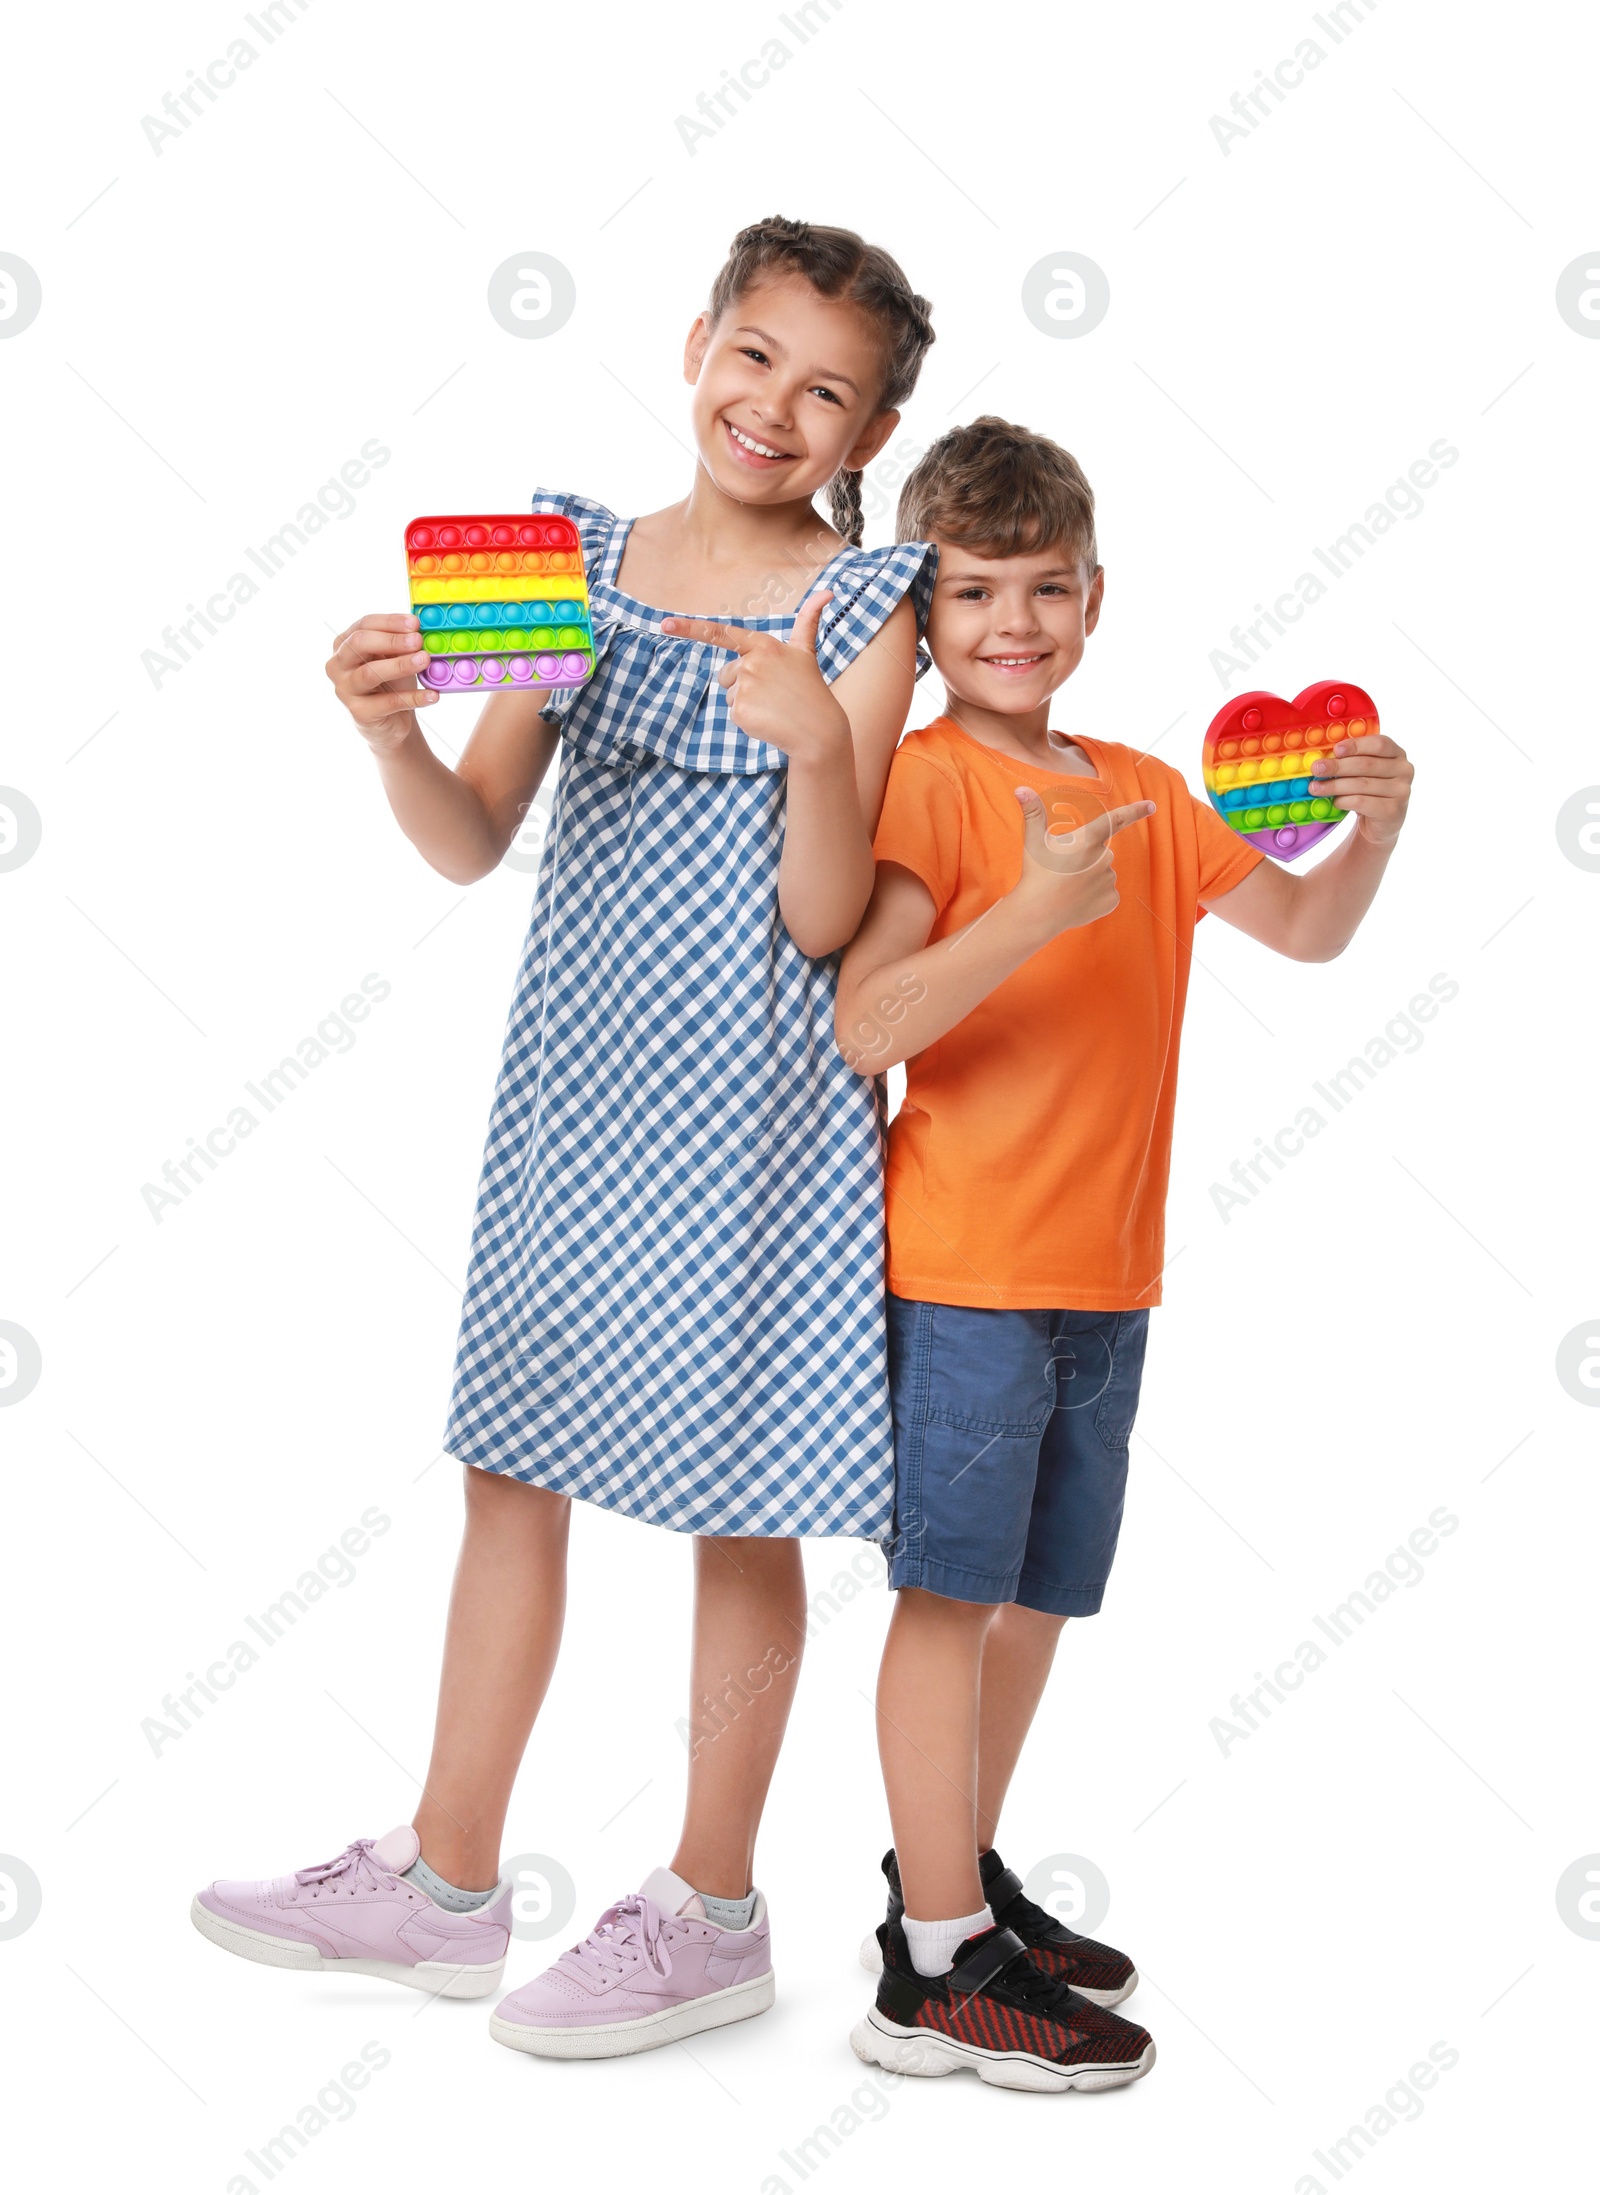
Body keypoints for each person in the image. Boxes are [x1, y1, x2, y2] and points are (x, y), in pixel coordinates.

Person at [190, 216, 938, 2061]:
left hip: (761, 1105)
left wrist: (817, 745)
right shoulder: (570, 562)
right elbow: (473, 835)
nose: (774, 408)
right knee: (506, 1465)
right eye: (754, 357)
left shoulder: (869, 604)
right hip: (578, 1089)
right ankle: (448, 1886)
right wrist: (391, 741)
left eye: (827, 392)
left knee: (738, 1498)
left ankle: (711, 1905)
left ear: (869, 434)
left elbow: (834, 920)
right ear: (695, 343)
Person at [836, 414, 1414, 2092]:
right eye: (971, 596)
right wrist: (1024, 910)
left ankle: (952, 1882)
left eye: (1045, 588)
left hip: (1108, 1279)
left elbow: (1303, 931)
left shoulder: (1153, 795)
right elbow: (868, 1017)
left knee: (1038, 1602)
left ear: (1097, 597)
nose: (1012, 624)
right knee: (951, 1598)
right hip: (963, 1273)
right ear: (922, 623)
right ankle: (931, 1972)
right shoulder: (929, 784)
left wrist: (1369, 831)